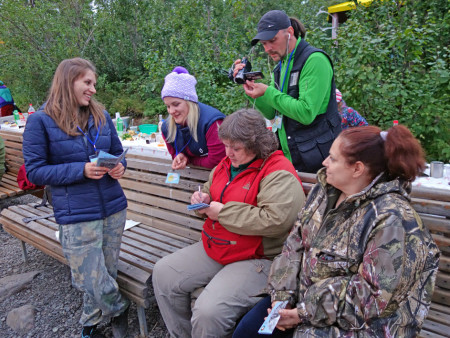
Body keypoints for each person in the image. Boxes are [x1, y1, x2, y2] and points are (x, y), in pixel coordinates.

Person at [233, 125, 440, 338]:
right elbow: (294, 244)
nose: (324, 162)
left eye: (332, 158)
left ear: (357, 169)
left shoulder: (393, 219)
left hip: (364, 324)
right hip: (305, 301)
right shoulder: (324, 192)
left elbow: (372, 298)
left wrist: (304, 313)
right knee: (247, 331)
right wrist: (282, 296)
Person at [152, 109, 306, 337]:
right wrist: (201, 201)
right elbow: (208, 193)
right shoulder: (225, 165)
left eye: (236, 148)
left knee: (208, 311)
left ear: (257, 144)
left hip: (259, 257)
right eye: (225, 145)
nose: (228, 153)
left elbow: (277, 221)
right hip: (219, 244)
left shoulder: (278, 172)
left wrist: (222, 213)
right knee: (163, 273)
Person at [22, 58, 130, 338]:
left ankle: (90, 321)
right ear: (69, 81)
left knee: (106, 270)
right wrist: (80, 170)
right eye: (87, 82)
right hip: (77, 212)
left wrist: (119, 167)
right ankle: (119, 309)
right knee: (90, 278)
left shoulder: (101, 116)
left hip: (113, 207)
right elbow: (34, 171)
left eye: (94, 83)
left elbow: (117, 151)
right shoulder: (41, 121)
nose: (93, 89)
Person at [233, 10, 341, 174]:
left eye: (272, 40)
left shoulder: (315, 60)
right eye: (264, 44)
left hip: (321, 162)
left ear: (289, 32)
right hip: (294, 158)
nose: (268, 48)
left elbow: (306, 113)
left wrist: (268, 92)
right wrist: (253, 88)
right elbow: (272, 112)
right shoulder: (280, 67)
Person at [161, 66, 226, 170]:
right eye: (168, 106)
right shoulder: (166, 127)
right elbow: (175, 155)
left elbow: (216, 160)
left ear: (190, 102)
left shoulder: (213, 123)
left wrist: (189, 160)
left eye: (176, 104)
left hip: (218, 175)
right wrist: (179, 157)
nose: (171, 111)